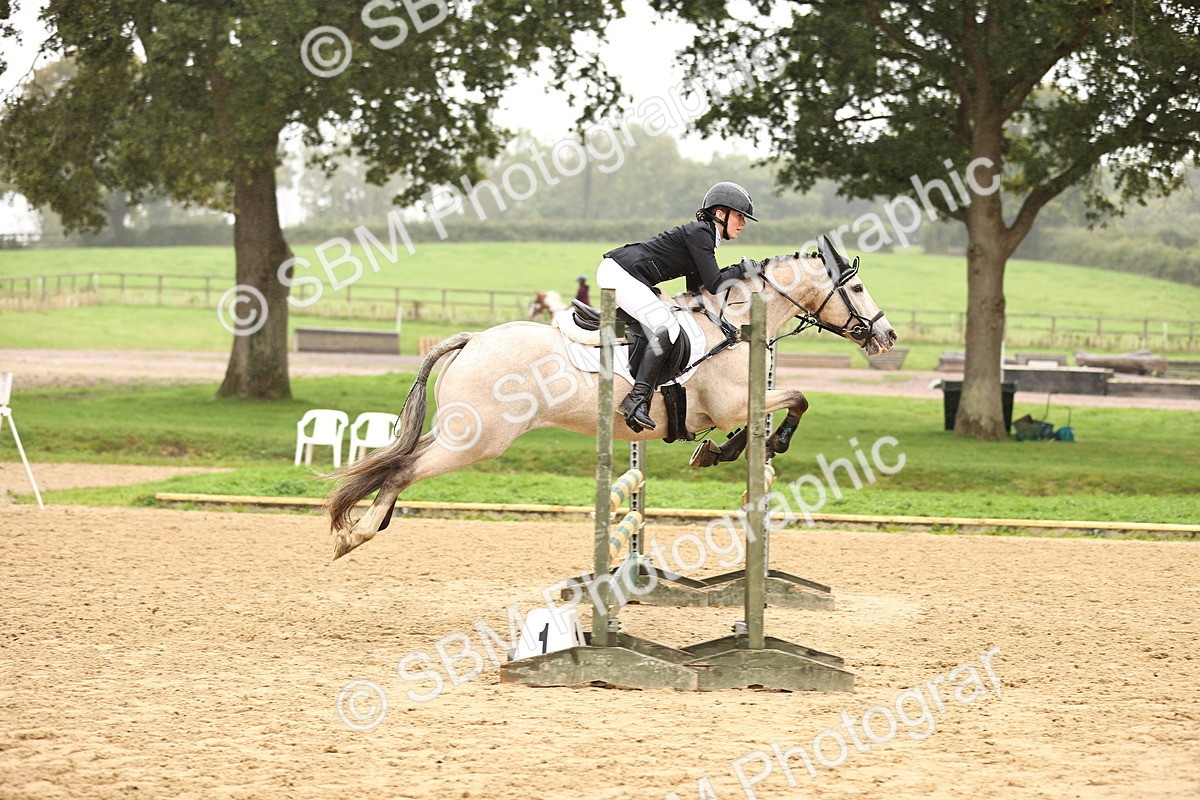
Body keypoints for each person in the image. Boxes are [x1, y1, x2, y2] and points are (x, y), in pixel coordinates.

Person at [597, 181, 759, 431]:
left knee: (672, 321)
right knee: (668, 327)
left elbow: (698, 289)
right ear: (720, 213)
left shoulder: (704, 237)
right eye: (739, 216)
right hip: (620, 273)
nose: (743, 223)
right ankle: (637, 400)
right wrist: (744, 269)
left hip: (627, 274)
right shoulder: (701, 234)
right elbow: (715, 284)